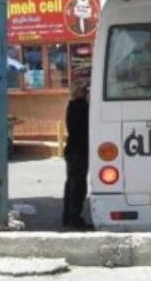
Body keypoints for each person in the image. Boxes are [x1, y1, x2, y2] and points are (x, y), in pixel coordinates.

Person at [62, 81, 90, 229]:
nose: (86, 93)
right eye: (84, 90)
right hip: (78, 151)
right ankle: (75, 218)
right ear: (79, 92)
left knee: (71, 184)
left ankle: (68, 217)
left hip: (73, 150)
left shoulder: (72, 105)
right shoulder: (80, 106)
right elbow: (84, 129)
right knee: (78, 186)